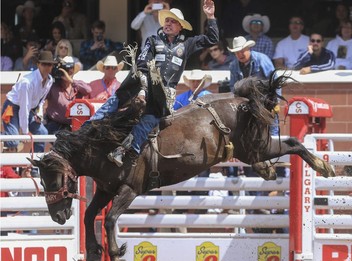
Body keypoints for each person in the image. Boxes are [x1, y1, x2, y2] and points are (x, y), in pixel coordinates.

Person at [107, 0, 219, 167]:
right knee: (121, 109)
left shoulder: (187, 44)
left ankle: (130, 150)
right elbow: (143, 65)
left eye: (173, 21)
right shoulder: (153, 41)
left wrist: (210, 16)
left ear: (180, 27)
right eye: (167, 20)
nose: (168, 23)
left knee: (151, 116)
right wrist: (143, 89)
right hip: (148, 87)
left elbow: (212, 38)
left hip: (166, 93)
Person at [226, 36, 280, 177]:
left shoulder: (262, 60)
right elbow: (233, 88)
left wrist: (275, 102)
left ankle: (275, 164)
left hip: (265, 101)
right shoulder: (233, 66)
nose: (240, 54)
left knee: (272, 132)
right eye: (237, 52)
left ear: (249, 49)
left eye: (243, 50)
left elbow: (274, 80)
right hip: (247, 104)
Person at [1, 51, 56, 153]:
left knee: (42, 133)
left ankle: (35, 165)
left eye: (49, 64)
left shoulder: (50, 80)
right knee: (13, 141)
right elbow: (24, 107)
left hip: (29, 109)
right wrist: (25, 132)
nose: (46, 67)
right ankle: (9, 137)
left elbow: (41, 100)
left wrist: (39, 114)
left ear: (52, 66)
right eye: (43, 64)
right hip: (12, 108)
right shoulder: (27, 82)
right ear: (38, 64)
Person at [45, 56, 91, 134]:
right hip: (55, 125)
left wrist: (70, 80)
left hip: (75, 125)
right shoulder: (53, 86)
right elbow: (40, 98)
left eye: (71, 69)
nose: (69, 71)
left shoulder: (77, 85)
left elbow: (88, 90)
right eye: (66, 69)